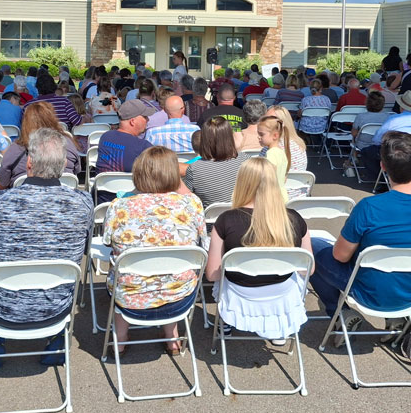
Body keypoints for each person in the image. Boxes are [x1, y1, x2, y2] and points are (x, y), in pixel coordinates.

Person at [308, 132, 411, 329]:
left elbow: (340, 256)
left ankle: (339, 313)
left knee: (311, 247)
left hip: (368, 292)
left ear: (383, 166)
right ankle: (394, 319)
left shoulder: (370, 207)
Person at [0, 128, 93, 364]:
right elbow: (85, 246)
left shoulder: (0, 202)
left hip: (4, 308)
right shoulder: (83, 202)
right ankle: (57, 338)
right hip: (57, 307)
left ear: (29, 162)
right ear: (61, 166)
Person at [103, 147, 206, 353]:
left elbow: (108, 241)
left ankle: (120, 339)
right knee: (171, 269)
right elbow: (202, 239)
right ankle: (172, 337)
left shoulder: (119, 206)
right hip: (180, 296)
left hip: (130, 298)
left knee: (121, 270)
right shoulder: (191, 204)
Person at [205, 156, 313, 340]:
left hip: (240, 293)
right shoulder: (295, 219)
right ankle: (280, 328)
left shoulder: (226, 220)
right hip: (281, 292)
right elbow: (308, 269)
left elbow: (213, 275)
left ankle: (227, 321)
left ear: (242, 182)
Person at [0, 102, 81, 189]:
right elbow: (76, 170)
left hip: (23, 198)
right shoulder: (67, 142)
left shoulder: (16, 148)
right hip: (65, 196)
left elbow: (2, 184)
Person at [360, 90, 411, 185]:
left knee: (367, 151)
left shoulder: (393, 120)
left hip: (396, 154)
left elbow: (377, 140)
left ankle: (381, 183)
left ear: (401, 106)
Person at [184, 117, 251, 208]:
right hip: (243, 217)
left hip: (211, 220)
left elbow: (188, 200)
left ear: (204, 140)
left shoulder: (194, 169)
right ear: (230, 137)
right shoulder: (246, 161)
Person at [96, 98, 154, 173]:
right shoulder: (143, 147)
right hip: (131, 184)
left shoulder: (105, 137)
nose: (148, 120)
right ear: (132, 121)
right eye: (145, 117)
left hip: (103, 184)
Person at [257, 115, 291, 200]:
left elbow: (267, 177)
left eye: (261, 134)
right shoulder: (281, 152)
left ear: (275, 136)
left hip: (271, 197)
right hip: (282, 195)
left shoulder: (271, 154)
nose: (258, 137)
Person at [269, 105, 308, 173]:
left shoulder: (271, 148)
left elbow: (255, 171)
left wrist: (243, 155)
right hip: (298, 182)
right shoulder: (299, 144)